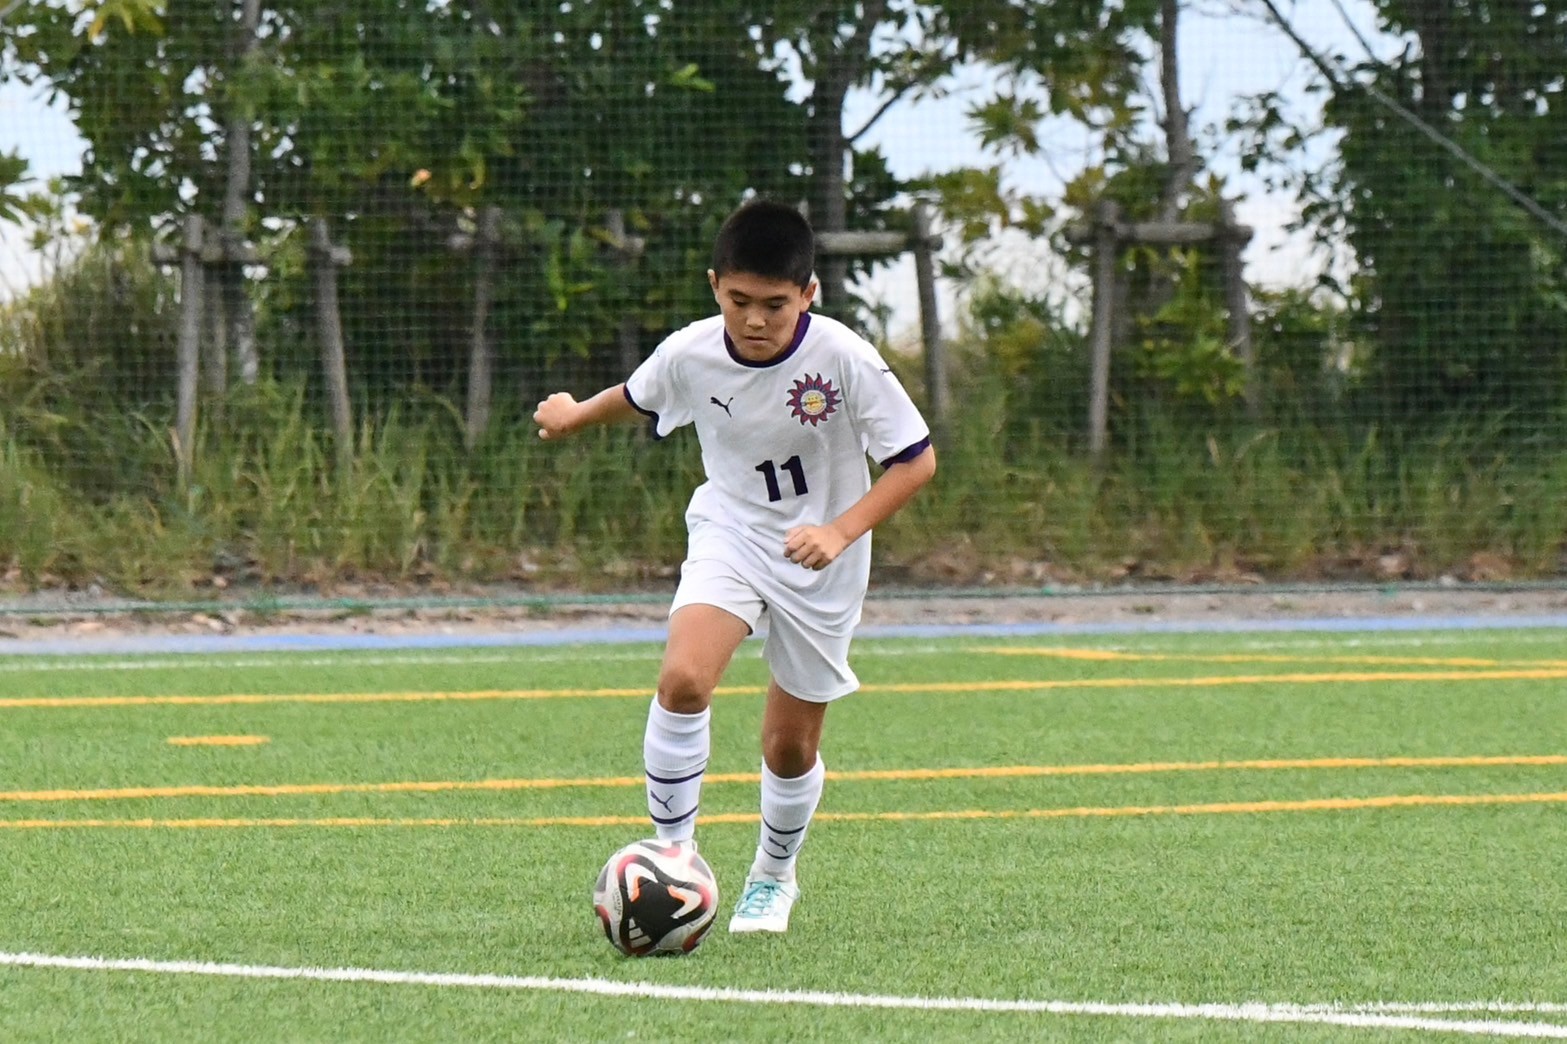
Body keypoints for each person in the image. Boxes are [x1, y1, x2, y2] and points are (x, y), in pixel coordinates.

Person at [533, 200, 936, 934]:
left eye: (775, 305)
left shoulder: (844, 357)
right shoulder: (690, 352)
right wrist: (572, 414)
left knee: (789, 745)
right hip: (731, 534)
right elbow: (638, 396)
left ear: (808, 294)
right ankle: (673, 857)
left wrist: (839, 531)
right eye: (739, 300)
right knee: (684, 679)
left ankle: (772, 877)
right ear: (715, 285)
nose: (754, 320)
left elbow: (915, 461)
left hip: (822, 562)